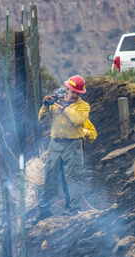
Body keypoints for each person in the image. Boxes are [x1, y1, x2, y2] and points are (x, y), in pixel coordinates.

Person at [34, 75, 91, 222]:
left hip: (73, 145)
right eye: (73, 92)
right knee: (50, 177)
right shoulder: (57, 102)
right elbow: (43, 120)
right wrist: (46, 106)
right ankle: (44, 211)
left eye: (78, 93)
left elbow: (78, 120)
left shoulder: (83, 106)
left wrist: (64, 106)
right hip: (55, 144)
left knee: (74, 178)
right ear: (67, 89)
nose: (75, 95)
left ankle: (73, 211)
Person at [55, 87, 97, 210]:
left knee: (73, 178)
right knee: (64, 179)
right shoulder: (56, 114)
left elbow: (92, 133)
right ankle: (69, 206)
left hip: (74, 153)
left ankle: (76, 208)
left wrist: (80, 132)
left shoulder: (78, 115)